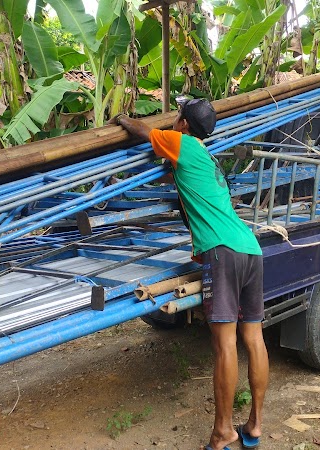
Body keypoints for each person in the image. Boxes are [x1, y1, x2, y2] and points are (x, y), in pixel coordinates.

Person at [111, 99, 268, 450]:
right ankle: (254, 425)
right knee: (253, 338)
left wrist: (121, 118)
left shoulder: (183, 143)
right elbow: (175, 176)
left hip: (222, 252)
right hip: (250, 249)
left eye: (177, 117)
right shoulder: (208, 160)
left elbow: (143, 131)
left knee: (225, 344)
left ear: (182, 124)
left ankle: (223, 432)